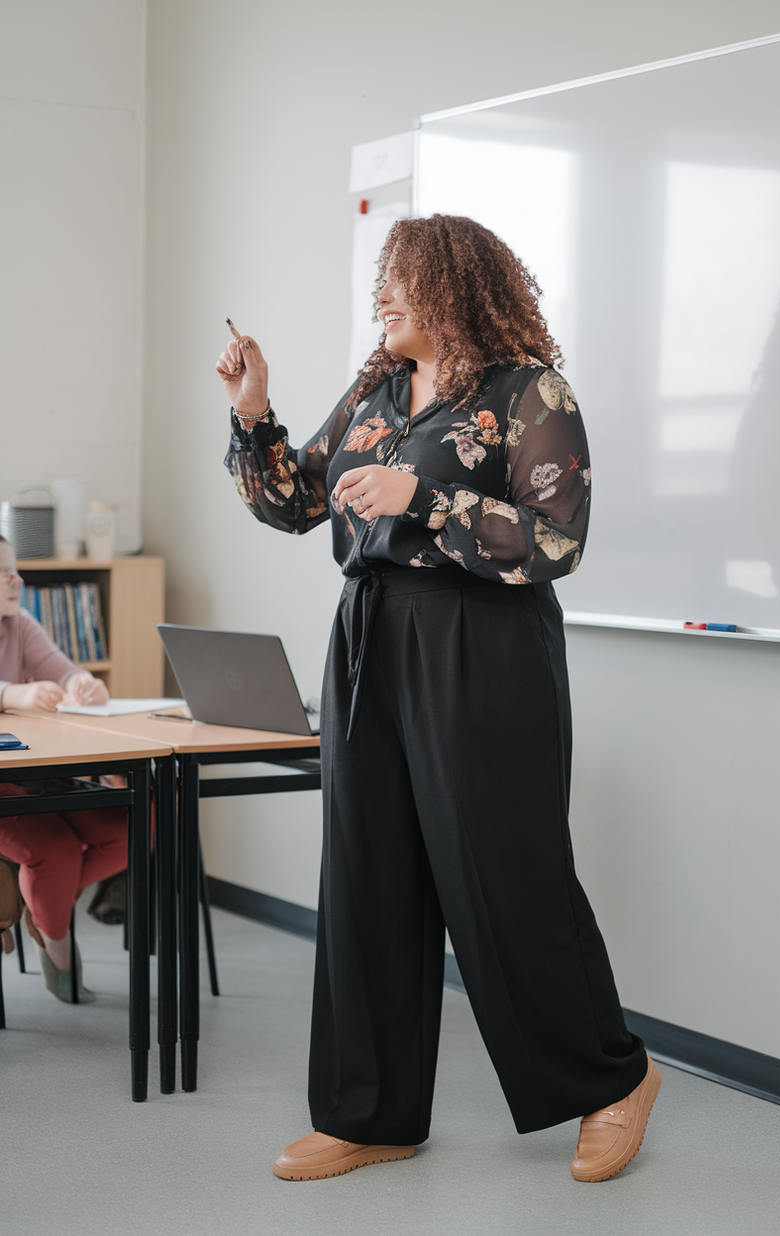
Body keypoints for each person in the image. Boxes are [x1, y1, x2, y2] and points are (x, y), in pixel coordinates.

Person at [217, 214, 661, 1183]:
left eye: (399, 280)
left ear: (451, 288)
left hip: (482, 643)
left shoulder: (527, 391)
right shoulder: (377, 389)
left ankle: (609, 1081)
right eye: (381, 280)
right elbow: (295, 500)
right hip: (370, 634)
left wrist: (423, 499)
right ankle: (371, 1111)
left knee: (506, 873)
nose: (382, 296)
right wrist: (255, 412)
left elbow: (556, 541)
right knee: (367, 873)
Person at [0, 534, 128, 1003]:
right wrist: (10, 694)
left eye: (13, 567)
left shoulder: (19, 621)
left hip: (35, 776)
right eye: (3, 571)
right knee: (55, 850)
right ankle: (59, 948)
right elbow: (13, 692)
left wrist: (83, 683)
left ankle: (44, 904)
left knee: (136, 826)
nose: (17, 578)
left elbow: (64, 671)